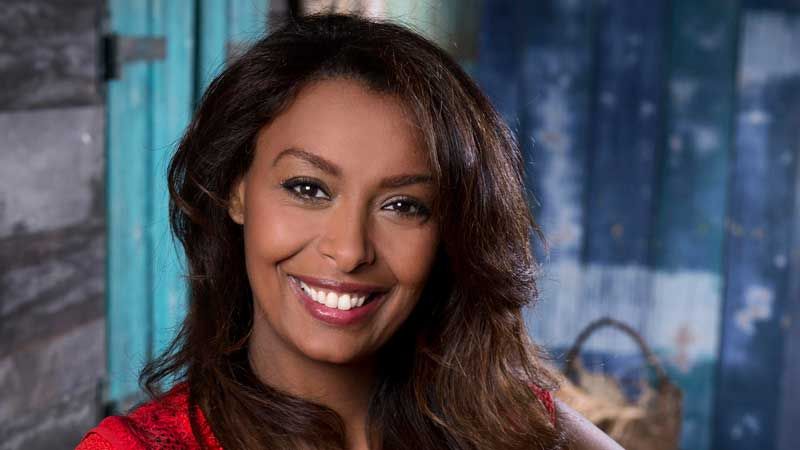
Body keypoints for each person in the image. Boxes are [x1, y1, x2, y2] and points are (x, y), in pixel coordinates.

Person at [77, 13, 622, 450]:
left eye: (403, 205)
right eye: (308, 188)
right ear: (236, 191)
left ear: (449, 232)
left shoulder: (509, 424)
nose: (349, 250)